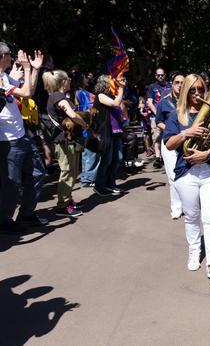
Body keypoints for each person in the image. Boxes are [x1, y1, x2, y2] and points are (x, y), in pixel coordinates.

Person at [163, 74, 210, 281]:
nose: (198, 94)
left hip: (209, 170)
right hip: (187, 172)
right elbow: (168, 144)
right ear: (185, 92)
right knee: (192, 217)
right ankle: (194, 252)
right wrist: (187, 133)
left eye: (201, 89)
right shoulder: (177, 116)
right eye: (193, 90)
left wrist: (207, 153)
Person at [0, 45, 46, 233]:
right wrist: (27, 69)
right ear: (3, 56)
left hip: (21, 135)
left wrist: (34, 69)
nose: (13, 58)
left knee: (38, 172)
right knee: (11, 183)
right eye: (10, 55)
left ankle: (26, 213)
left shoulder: (5, 76)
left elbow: (29, 89)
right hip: (7, 140)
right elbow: (26, 93)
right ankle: (4, 221)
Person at [44, 70, 88, 218]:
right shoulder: (58, 97)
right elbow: (72, 114)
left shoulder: (59, 96)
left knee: (73, 171)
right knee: (67, 172)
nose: (70, 81)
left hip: (69, 140)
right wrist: (85, 124)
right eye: (68, 79)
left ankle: (67, 200)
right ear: (63, 82)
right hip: (63, 141)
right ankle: (62, 206)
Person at [92, 75, 125, 197]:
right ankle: (99, 186)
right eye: (112, 82)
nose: (115, 84)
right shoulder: (100, 95)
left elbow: (120, 107)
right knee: (107, 160)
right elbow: (116, 104)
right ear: (105, 84)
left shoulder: (112, 95)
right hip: (106, 133)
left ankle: (110, 184)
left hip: (116, 132)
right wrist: (121, 88)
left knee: (118, 158)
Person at [157, 73, 184, 219]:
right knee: (173, 176)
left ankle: (188, 204)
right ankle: (176, 207)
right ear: (172, 84)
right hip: (169, 142)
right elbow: (158, 121)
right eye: (177, 82)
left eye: (182, 82)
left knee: (185, 175)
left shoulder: (190, 101)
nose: (180, 85)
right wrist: (169, 129)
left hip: (186, 142)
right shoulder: (164, 102)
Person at [146, 67, 171, 168]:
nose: (160, 77)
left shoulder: (170, 86)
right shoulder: (152, 87)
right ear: (155, 76)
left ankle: (168, 156)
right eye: (158, 75)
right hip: (156, 115)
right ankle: (157, 157)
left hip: (169, 115)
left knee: (169, 135)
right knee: (156, 137)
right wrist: (158, 114)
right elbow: (150, 102)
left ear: (165, 75)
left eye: (162, 75)